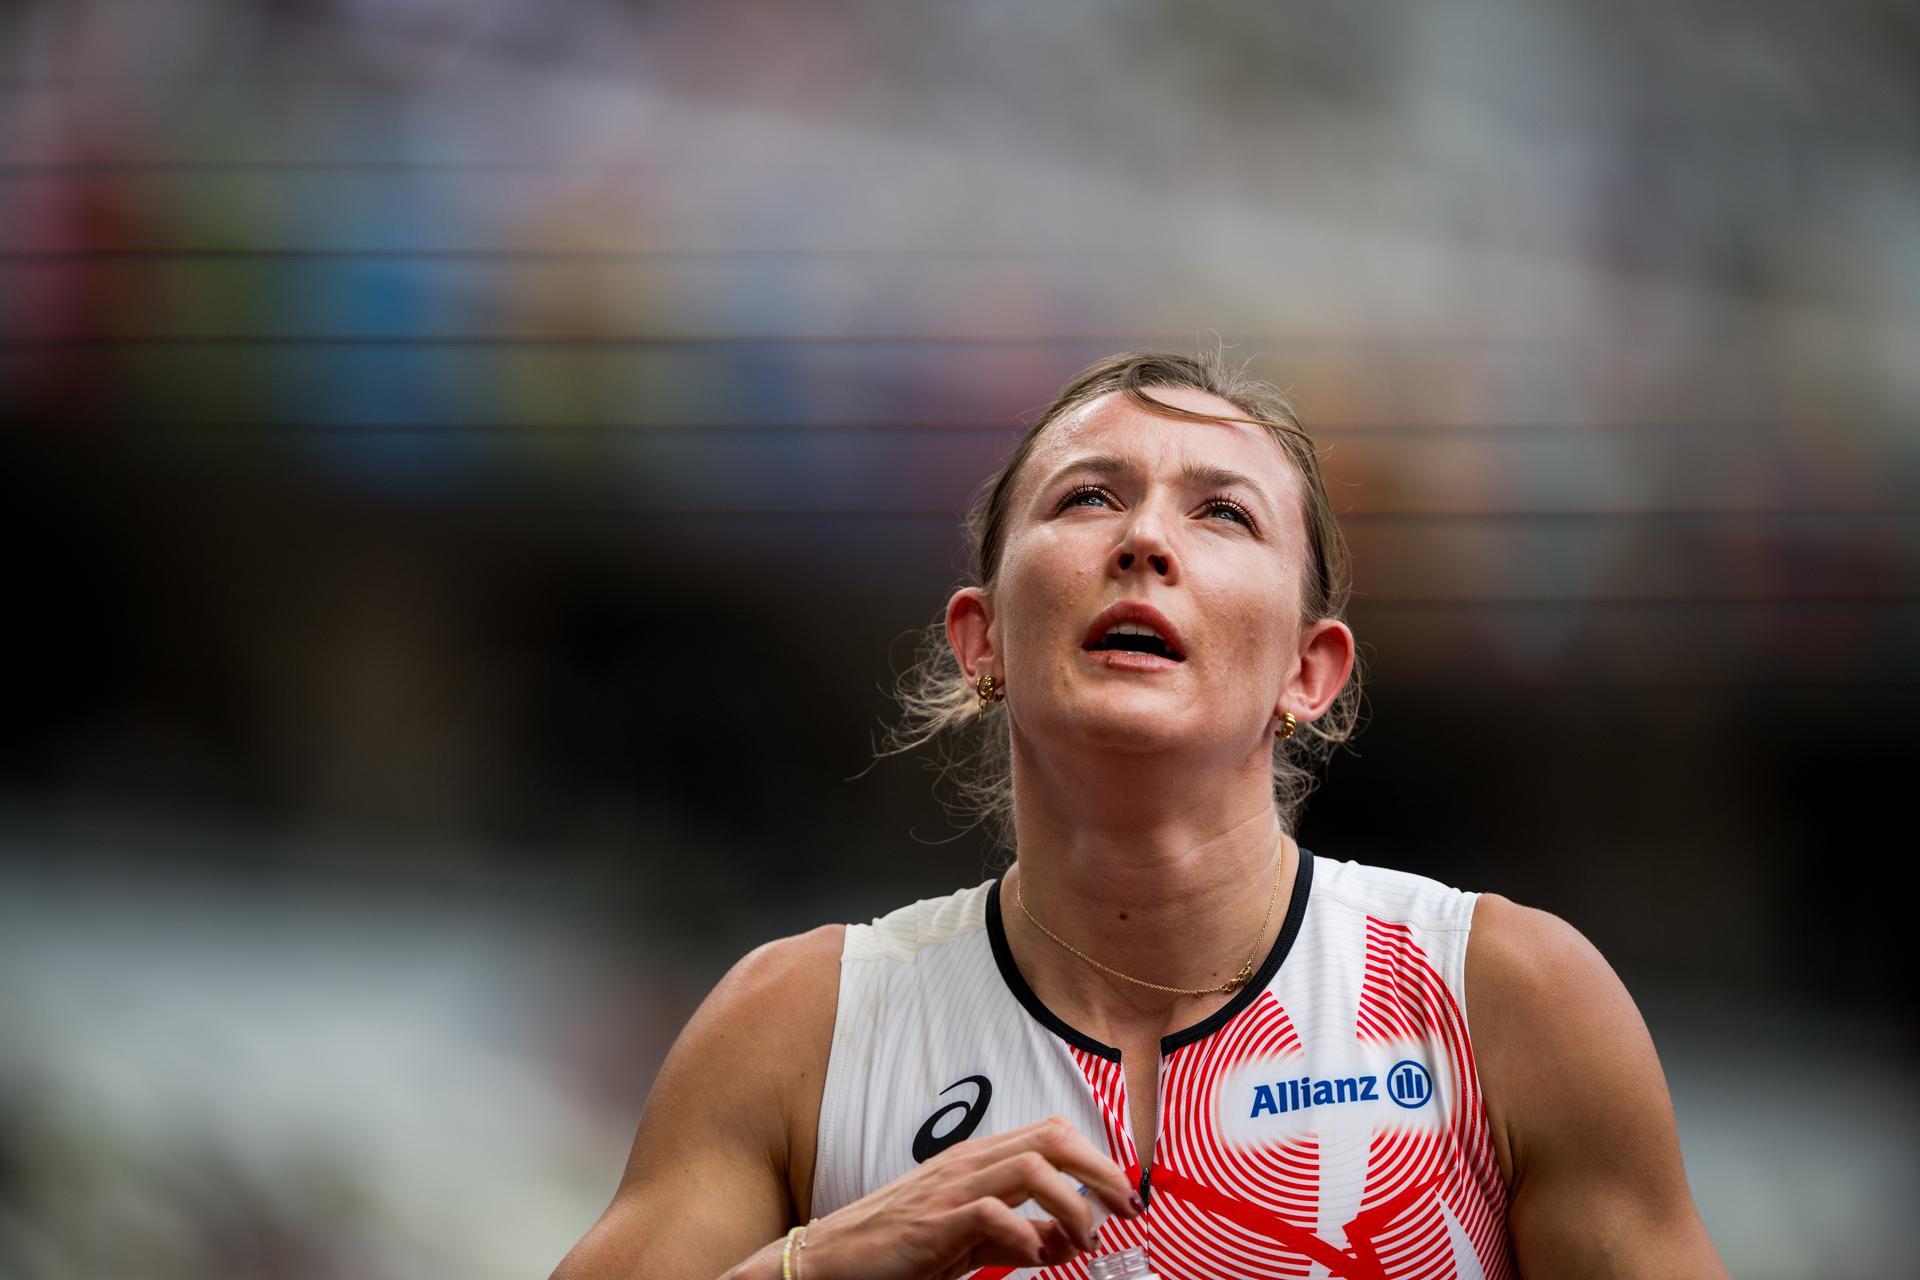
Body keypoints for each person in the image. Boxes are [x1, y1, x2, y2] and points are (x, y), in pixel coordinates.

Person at [550, 350, 1729, 1280]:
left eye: (1223, 514)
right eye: (1089, 496)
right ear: (982, 640)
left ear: (1310, 673)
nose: (1145, 539)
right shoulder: (803, 1026)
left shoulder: (1501, 997)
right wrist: (814, 1263)